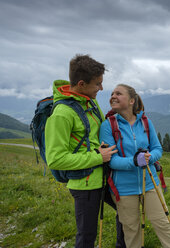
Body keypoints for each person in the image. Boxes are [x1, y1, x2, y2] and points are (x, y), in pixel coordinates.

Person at [45, 54, 121, 248]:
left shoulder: (90, 101)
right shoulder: (61, 115)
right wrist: (97, 157)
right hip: (84, 185)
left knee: (128, 212)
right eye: (97, 84)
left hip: (104, 176)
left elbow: (97, 135)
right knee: (87, 236)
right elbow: (55, 159)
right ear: (81, 83)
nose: (101, 88)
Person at [100, 84, 170, 248]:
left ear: (131, 100)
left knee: (163, 224)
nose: (113, 96)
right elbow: (111, 160)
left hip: (150, 183)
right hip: (123, 188)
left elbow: (158, 149)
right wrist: (134, 161)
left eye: (118, 93)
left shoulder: (145, 122)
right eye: (112, 93)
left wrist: (149, 157)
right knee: (131, 231)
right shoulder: (108, 125)